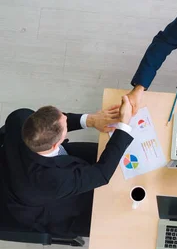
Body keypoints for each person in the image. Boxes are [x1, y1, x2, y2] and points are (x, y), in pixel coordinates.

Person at [0, 96, 134, 237]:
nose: (66, 118)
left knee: (111, 155)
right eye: (65, 125)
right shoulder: (52, 179)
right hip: (47, 207)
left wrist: (91, 120)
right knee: (115, 215)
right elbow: (101, 175)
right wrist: (124, 126)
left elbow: (54, 123)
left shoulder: (19, 117)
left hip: (24, 165)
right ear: (55, 144)